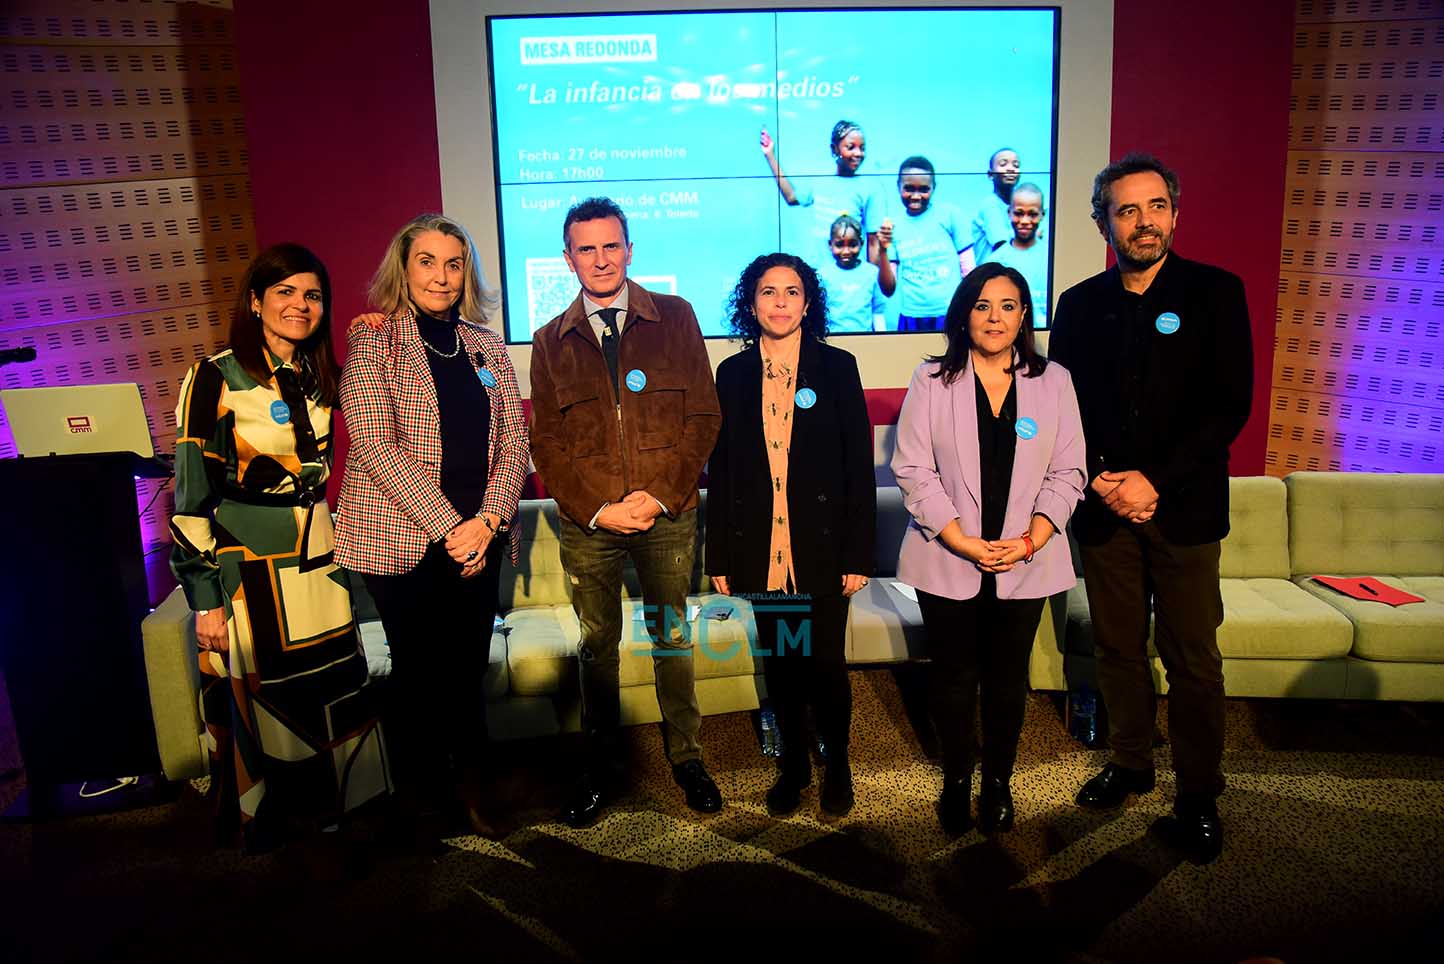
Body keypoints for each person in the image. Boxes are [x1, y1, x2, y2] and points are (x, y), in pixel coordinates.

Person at [1048, 153, 1253, 864]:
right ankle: (1131, 762)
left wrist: (1153, 481)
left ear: (1175, 213)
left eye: (1156, 206)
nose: (1144, 222)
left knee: (1192, 659)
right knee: (1117, 649)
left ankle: (1197, 794)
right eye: (1127, 210)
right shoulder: (1078, 304)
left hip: (1186, 510)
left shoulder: (1216, 292)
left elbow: (1228, 406)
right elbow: (1064, 406)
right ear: (1103, 222)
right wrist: (1104, 480)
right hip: (1104, 509)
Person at [171, 243, 389, 853]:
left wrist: (375, 331)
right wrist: (204, 600)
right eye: (285, 292)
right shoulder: (215, 376)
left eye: (312, 295)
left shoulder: (319, 377)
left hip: (320, 559)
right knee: (272, 694)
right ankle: (281, 822)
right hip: (252, 567)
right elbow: (190, 497)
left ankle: (336, 810)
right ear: (255, 301)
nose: (300, 305)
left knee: (333, 684)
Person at [528, 197, 723, 828]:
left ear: (630, 250)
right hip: (591, 528)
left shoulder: (676, 316)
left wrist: (658, 496)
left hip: (666, 518)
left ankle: (687, 759)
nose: (601, 259)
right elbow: (546, 445)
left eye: (611, 245)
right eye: (586, 249)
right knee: (597, 646)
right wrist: (597, 510)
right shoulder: (549, 341)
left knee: (671, 635)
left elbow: (703, 418)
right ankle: (600, 765)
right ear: (568, 259)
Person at [333, 213, 529, 842]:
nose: (442, 276)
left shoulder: (486, 347)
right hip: (402, 537)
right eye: (427, 262)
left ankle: (473, 789)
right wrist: (453, 529)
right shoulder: (375, 342)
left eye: (454, 263)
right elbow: (373, 445)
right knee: (418, 676)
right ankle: (421, 798)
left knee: (467, 671)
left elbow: (515, 442)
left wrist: (489, 521)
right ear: (404, 267)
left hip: (481, 535)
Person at [892, 263, 1084, 834]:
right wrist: (960, 540)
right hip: (948, 557)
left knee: (1006, 680)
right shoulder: (931, 379)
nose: (995, 317)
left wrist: (1030, 540)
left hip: (1027, 558)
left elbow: (1069, 470)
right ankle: (957, 777)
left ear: (1024, 315)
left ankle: (998, 780)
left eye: (1007, 305)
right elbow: (912, 468)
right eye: (982, 305)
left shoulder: (1055, 381)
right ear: (964, 315)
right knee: (952, 678)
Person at [706, 253, 875, 816]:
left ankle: (838, 762)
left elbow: (858, 465)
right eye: (768, 292)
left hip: (822, 548)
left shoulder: (838, 366)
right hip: (762, 547)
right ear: (750, 302)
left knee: (825, 665)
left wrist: (858, 553)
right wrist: (720, 554)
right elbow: (723, 471)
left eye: (792, 292)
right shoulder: (732, 373)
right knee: (782, 664)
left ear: (808, 303)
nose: (780, 303)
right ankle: (795, 766)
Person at [761, 120, 880, 263]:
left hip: (852, 272)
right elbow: (791, 197)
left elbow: (873, 242)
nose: (858, 153)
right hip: (820, 270)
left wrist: (871, 275)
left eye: (862, 148)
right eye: (850, 147)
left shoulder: (869, 188)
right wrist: (770, 155)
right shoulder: (819, 182)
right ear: (834, 149)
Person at [883, 156, 971, 331]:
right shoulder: (892, 226)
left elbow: (969, 270)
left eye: (924, 189)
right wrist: (882, 250)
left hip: (949, 313)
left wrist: (968, 309)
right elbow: (889, 288)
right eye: (909, 188)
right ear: (898, 186)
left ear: (934, 187)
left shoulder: (950, 215)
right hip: (911, 318)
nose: (916, 196)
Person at [983, 183, 1050, 328]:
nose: (1025, 221)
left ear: (1042, 215)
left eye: (1032, 214)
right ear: (1009, 213)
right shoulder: (995, 261)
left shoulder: (1052, 259)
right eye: (1019, 213)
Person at [816, 215, 889, 333]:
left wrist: (883, 339)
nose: (846, 251)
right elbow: (818, 314)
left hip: (865, 339)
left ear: (861, 244)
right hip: (833, 339)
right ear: (830, 245)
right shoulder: (822, 275)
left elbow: (878, 312)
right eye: (839, 245)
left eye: (852, 244)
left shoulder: (872, 273)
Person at [967, 147, 1023, 270]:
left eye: (1016, 165)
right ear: (990, 175)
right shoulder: (990, 205)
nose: (1010, 169)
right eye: (1003, 164)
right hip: (990, 276)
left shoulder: (1019, 208)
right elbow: (1002, 246)